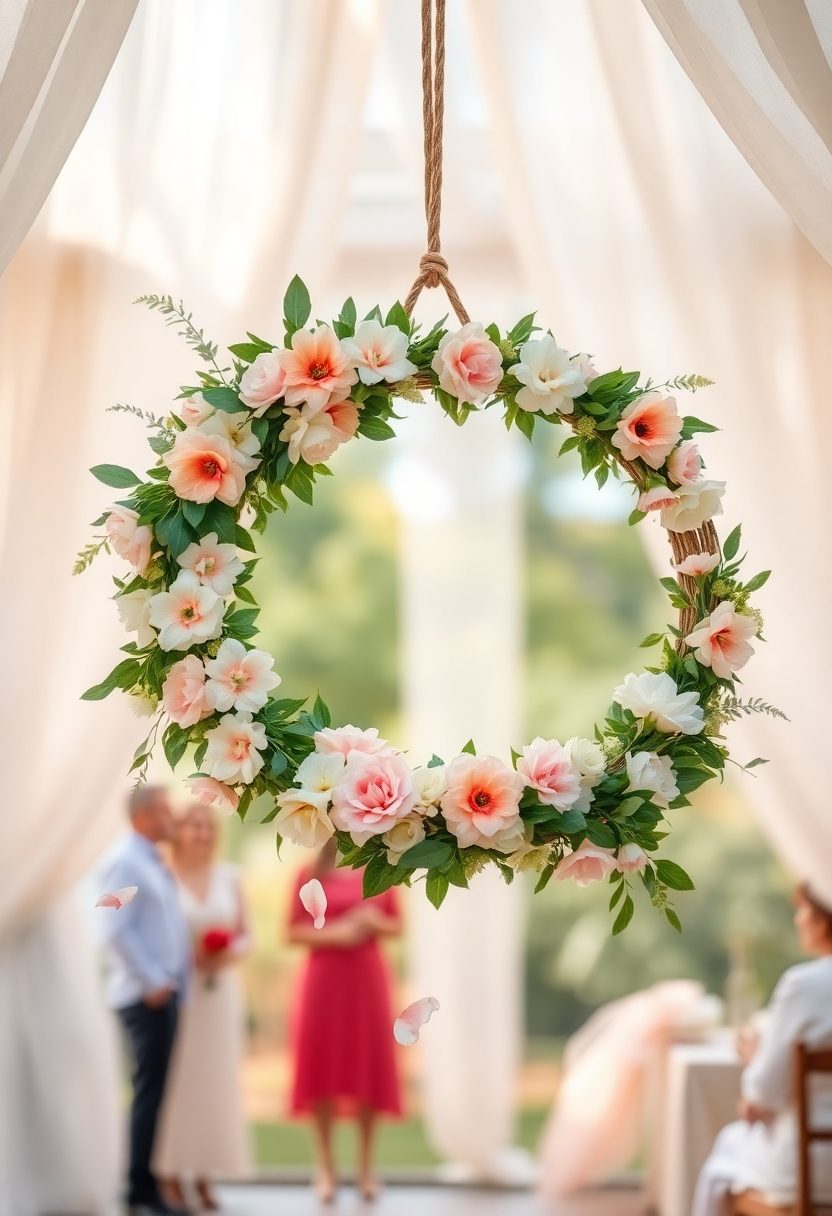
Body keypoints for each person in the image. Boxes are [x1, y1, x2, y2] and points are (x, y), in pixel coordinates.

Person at [693, 884, 832, 1216]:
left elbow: (763, 1093)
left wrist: (756, 1059)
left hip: (811, 1171)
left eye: (802, 909)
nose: (798, 919)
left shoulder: (803, 985)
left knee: (726, 1151)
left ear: (823, 918)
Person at [287, 839, 402, 1202]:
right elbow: (291, 931)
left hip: (368, 982)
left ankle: (366, 1168)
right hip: (323, 982)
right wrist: (337, 933)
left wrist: (374, 922)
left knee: (367, 1067)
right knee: (322, 1070)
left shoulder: (382, 866)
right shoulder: (309, 873)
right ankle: (325, 1168)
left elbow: (398, 926)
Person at [154, 802, 251, 1211]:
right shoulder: (162, 877)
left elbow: (246, 935)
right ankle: (171, 1173)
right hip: (180, 994)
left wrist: (227, 954)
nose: (202, 833)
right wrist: (185, 958)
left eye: (208, 826)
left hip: (221, 993)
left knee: (216, 1083)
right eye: (194, 825)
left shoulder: (230, 877)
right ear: (179, 831)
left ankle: (207, 1173)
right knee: (178, 1083)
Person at [99, 785, 191, 1216]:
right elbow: (114, 928)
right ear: (143, 816)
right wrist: (154, 980)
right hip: (144, 997)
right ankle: (140, 1189)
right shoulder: (125, 862)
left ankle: (143, 1186)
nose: (171, 820)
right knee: (147, 1095)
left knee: (153, 1094)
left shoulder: (150, 860)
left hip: (162, 994)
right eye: (164, 812)